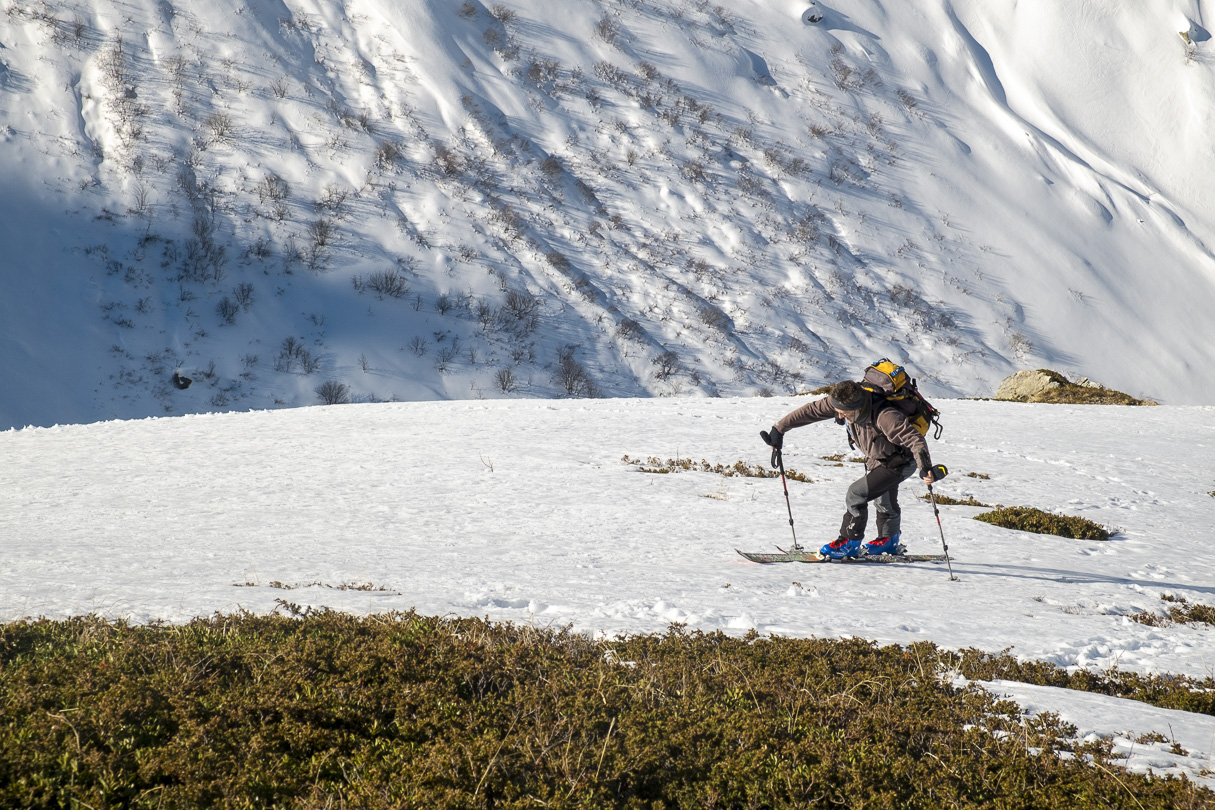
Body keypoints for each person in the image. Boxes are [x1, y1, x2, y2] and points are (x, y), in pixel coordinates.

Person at [762, 380, 936, 558]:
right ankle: (889, 540)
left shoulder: (885, 416)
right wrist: (779, 429)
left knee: (856, 494)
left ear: (857, 408)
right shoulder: (842, 402)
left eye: (843, 413)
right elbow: (811, 410)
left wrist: (926, 468)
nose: (838, 415)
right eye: (837, 411)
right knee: (883, 499)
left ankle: (849, 542)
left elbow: (915, 440)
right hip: (880, 458)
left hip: (902, 461)